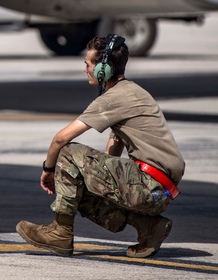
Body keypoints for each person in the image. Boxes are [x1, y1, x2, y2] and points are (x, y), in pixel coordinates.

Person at [16, 34, 184, 258]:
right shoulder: (134, 92)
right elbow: (114, 146)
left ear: (103, 69)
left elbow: (60, 139)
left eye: (88, 64)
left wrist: (49, 170)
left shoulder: (113, 99)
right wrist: (91, 181)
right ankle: (148, 227)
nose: (85, 68)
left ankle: (60, 231)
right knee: (80, 180)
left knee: (67, 153)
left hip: (146, 185)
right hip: (158, 191)